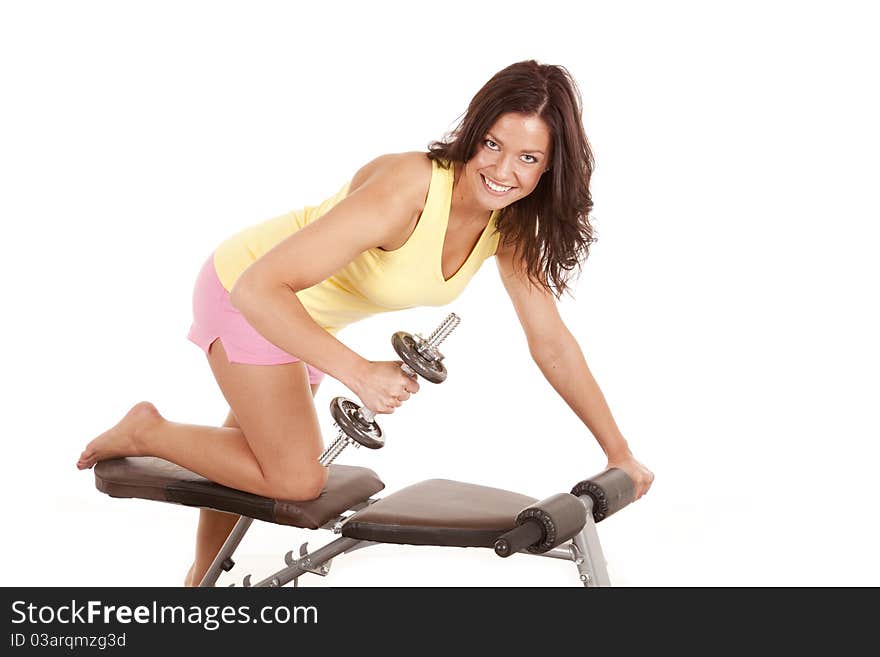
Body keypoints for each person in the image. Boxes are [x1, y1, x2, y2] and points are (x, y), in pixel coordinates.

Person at [77, 60, 654, 586]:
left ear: (551, 165)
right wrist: (358, 372)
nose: (503, 170)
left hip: (302, 318)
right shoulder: (409, 188)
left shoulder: (511, 225)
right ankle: (147, 431)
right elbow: (261, 288)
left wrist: (618, 452)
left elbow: (550, 342)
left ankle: (197, 590)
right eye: (492, 145)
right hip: (249, 292)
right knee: (294, 478)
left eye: (528, 158)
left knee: (250, 461)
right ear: (472, 132)